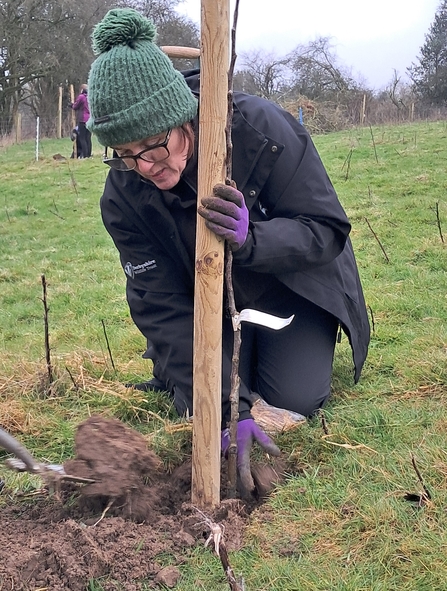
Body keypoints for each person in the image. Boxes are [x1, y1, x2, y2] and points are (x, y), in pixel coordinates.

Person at [86, 9, 370, 493]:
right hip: (207, 308)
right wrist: (225, 411)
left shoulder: (262, 131)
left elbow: (326, 230)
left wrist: (254, 240)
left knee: (292, 398)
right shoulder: (123, 196)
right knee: (198, 399)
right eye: (126, 154)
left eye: (155, 146)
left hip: (291, 292)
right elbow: (159, 303)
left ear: (182, 118)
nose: (146, 165)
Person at [69, 84, 92, 158]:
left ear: (82, 90)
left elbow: (76, 106)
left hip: (83, 119)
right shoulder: (90, 97)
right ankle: (88, 154)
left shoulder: (81, 97)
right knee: (88, 138)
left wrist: (71, 105)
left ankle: (84, 155)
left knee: (82, 138)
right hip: (90, 119)